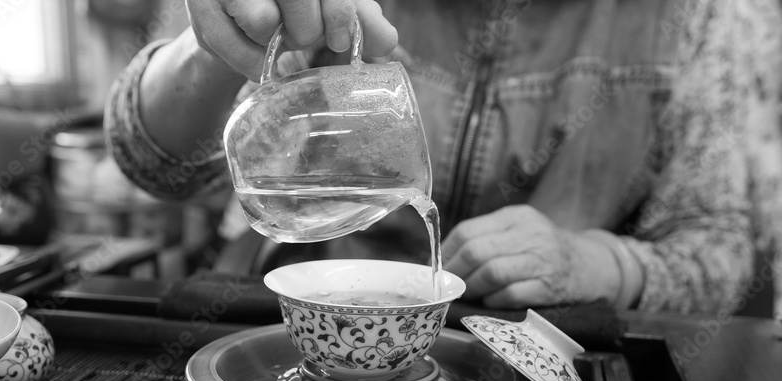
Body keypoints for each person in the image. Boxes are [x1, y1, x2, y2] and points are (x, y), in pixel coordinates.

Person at [105, 0, 782, 315]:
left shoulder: (701, 18)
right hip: (287, 345)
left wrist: (594, 262)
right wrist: (211, 48)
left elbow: (722, 254)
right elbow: (152, 162)